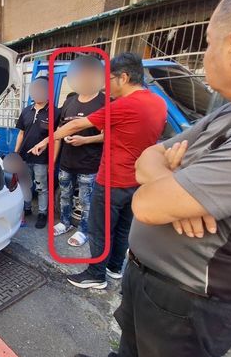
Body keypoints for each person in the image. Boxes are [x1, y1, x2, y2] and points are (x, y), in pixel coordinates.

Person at [72, 0, 231, 357]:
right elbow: (153, 156)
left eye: (205, 43)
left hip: (190, 299)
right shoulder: (228, 111)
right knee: (130, 333)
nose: (202, 55)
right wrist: (168, 180)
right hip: (146, 272)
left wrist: (165, 183)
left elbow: (148, 204)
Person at [30, 52, 166, 288]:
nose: (106, 84)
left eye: (109, 78)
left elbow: (76, 124)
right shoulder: (157, 102)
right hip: (137, 179)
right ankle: (114, 268)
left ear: (123, 77)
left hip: (113, 179)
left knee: (99, 229)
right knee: (123, 227)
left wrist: (44, 141)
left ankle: (95, 274)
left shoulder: (124, 105)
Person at [53, 55, 105, 247]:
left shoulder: (104, 102)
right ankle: (65, 223)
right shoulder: (69, 101)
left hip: (89, 164)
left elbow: (109, 135)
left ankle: (84, 230)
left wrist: (85, 140)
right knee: (65, 195)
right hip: (66, 162)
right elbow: (59, 131)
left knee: (86, 200)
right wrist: (54, 159)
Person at [15, 76, 60, 229]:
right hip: (24, 157)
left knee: (41, 187)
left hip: (42, 159)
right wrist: (16, 154)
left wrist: (52, 162)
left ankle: (42, 213)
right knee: (25, 185)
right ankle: (27, 209)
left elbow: (56, 138)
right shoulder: (26, 111)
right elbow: (21, 134)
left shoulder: (55, 112)